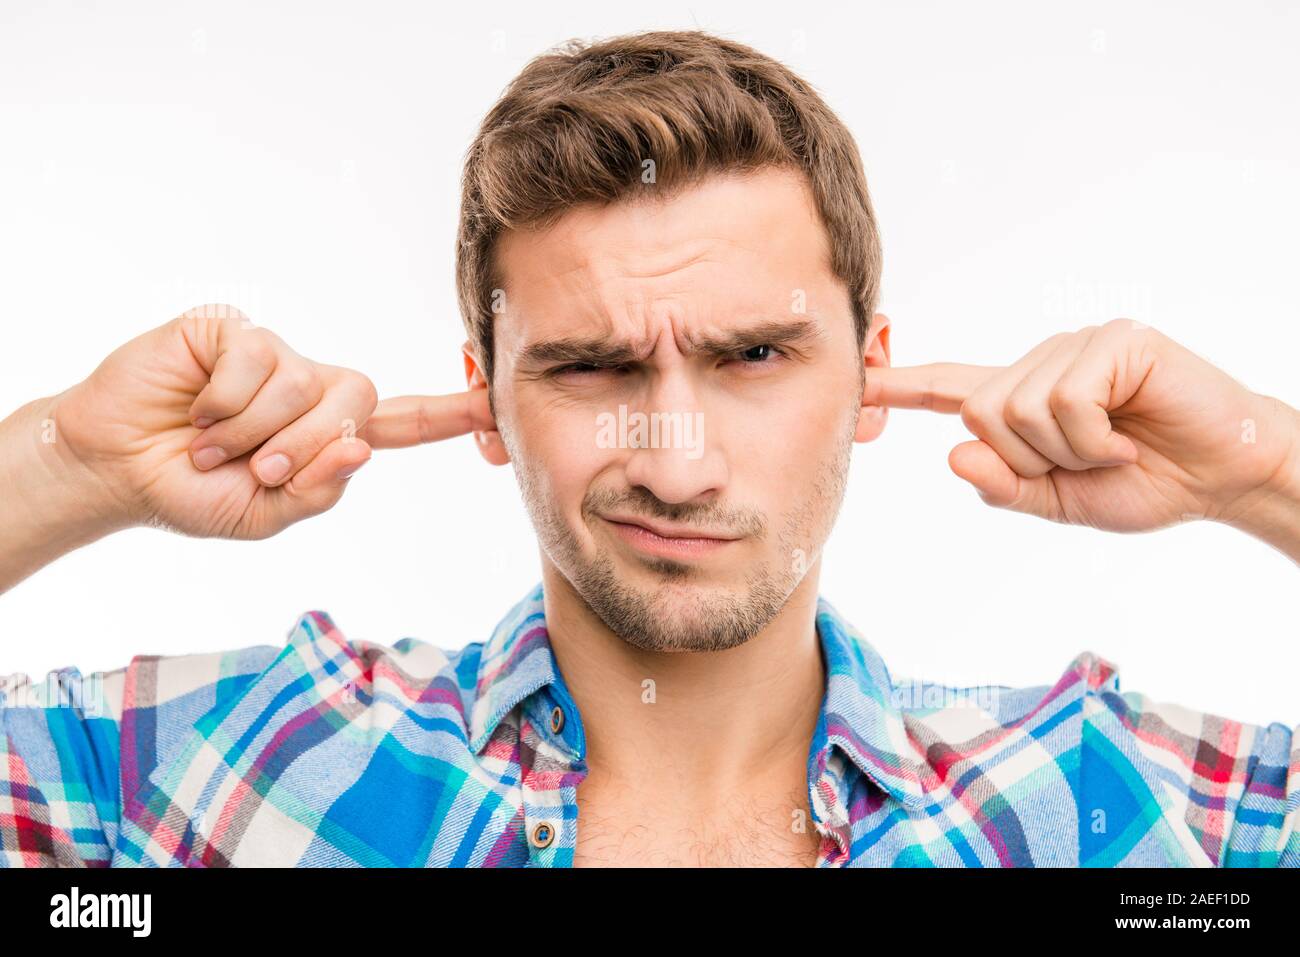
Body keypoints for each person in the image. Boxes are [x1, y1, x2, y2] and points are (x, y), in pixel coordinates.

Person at [1, 30, 1296, 868]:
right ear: (487, 402)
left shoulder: (1100, 801)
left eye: (755, 355)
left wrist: (1259, 468)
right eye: (590, 366)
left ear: (871, 376)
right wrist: (72, 467)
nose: (677, 466)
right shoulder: (247, 765)